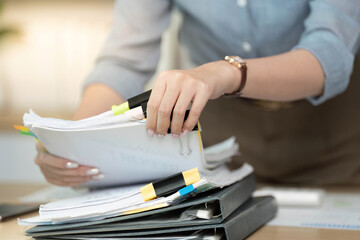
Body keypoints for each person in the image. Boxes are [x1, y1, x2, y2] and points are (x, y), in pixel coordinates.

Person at [34, 0, 360, 186]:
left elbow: (329, 54)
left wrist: (225, 71)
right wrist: (73, 139)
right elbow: (126, 59)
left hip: (335, 130)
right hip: (222, 134)